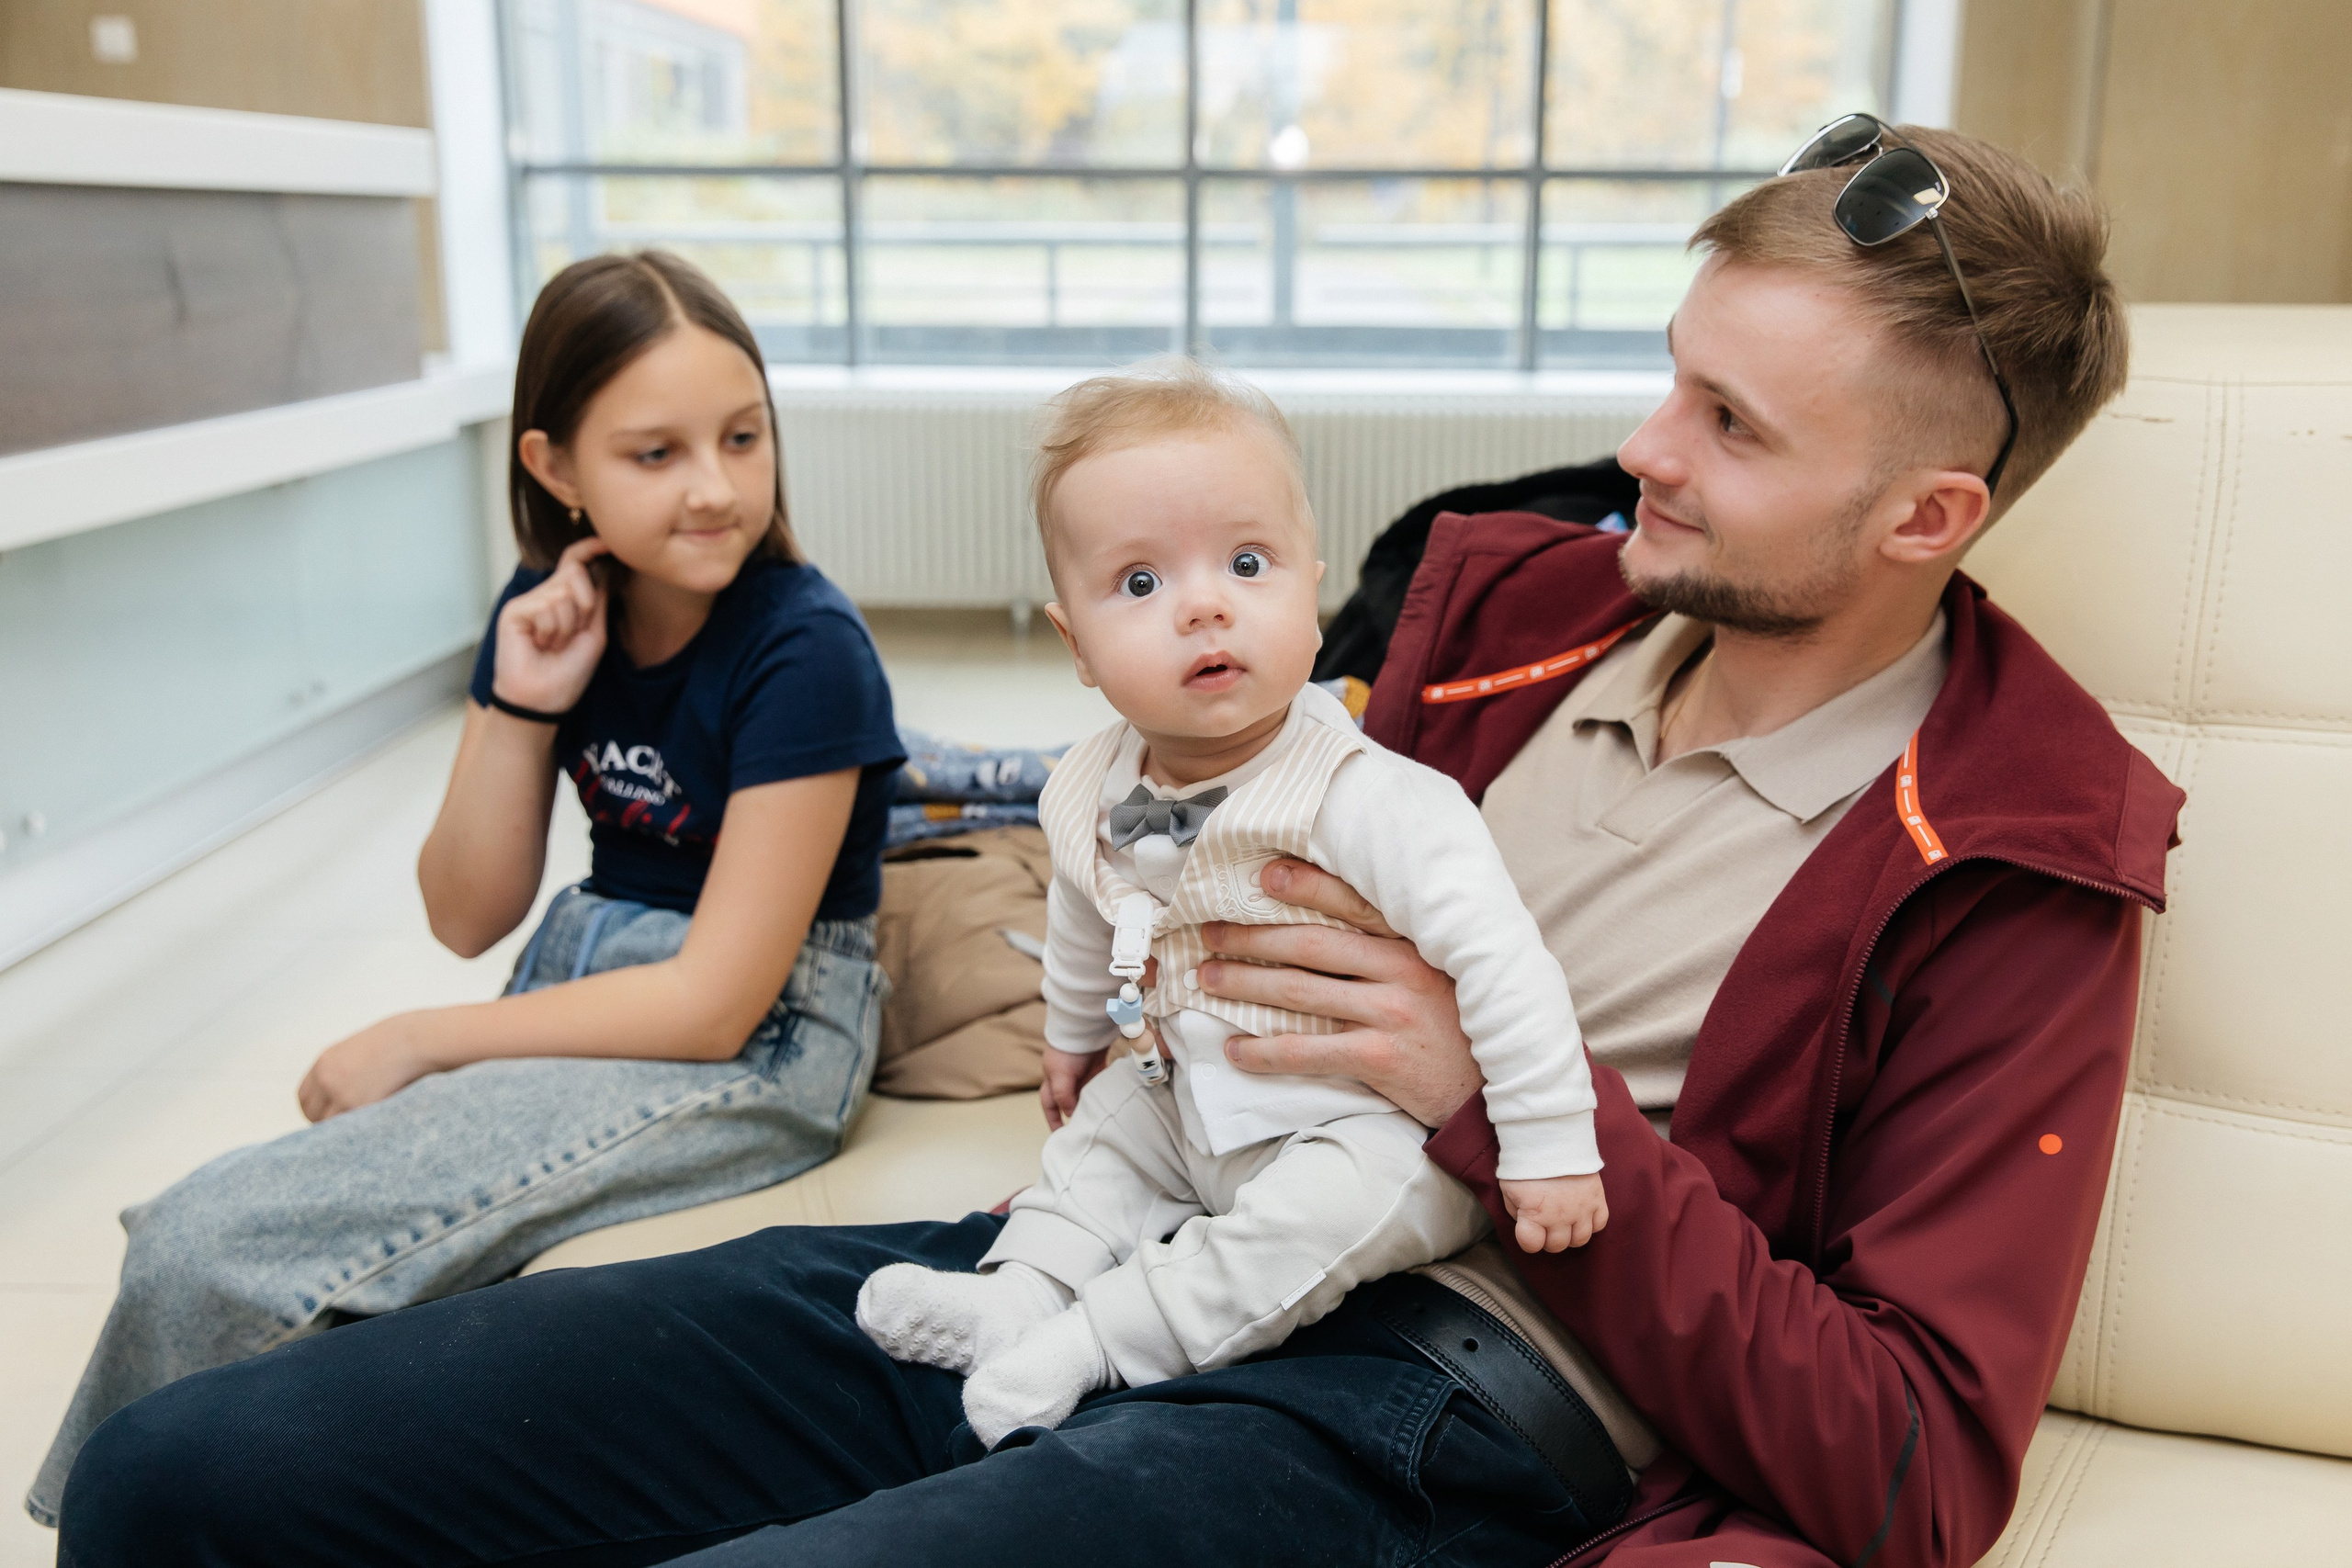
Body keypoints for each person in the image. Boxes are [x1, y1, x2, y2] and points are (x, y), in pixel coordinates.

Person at [59, 122, 2183, 1568]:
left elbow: (1911, 1459)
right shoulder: (1521, 605)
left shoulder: (2008, 857)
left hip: (1426, 1392)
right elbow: (1182, 747)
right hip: (1093, 1233)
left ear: (1922, 518)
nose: (1637, 446)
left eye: (1730, 425)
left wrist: (1479, 1093)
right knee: (195, 1472)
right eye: (1669, 380)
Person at [26, 251, 906, 1529]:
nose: (717, 487)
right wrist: (515, 701)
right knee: (231, 1236)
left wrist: (421, 1038)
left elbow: (717, 1003)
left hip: (764, 1038)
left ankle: (158, 1528)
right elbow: (468, 912)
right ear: (554, 468)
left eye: (742, 436)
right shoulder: (561, 606)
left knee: (211, 1243)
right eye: (656, 453)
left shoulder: (805, 646)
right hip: (593, 972)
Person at [855, 362, 1603, 1446]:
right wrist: (1068, 1040)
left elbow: (1504, 963)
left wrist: (1545, 1145)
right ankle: (1016, 1294)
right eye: (1141, 585)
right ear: (1076, 646)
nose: (1205, 603)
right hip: (1190, 1086)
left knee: (1341, 1208)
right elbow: (1083, 902)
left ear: (1314, 592)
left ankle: (1105, 1340)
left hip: (1354, 1122)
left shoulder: (1372, 801)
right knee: (1102, 1142)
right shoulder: (1090, 781)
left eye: (1247, 564)